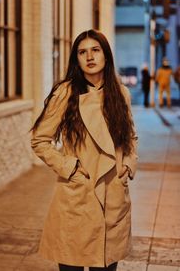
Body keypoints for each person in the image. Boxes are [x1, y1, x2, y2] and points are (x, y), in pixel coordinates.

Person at [31, 29, 138, 271]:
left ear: (106, 55)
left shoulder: (121, 93)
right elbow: (40, 140)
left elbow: (130, 136)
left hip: (113, 195)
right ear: (76, 59)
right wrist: (70, 168)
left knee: (106, 265)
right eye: (82, 52)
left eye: (95, 50)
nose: (89, 56)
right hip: (78, 195)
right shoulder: (66, 93)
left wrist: (128, 165)